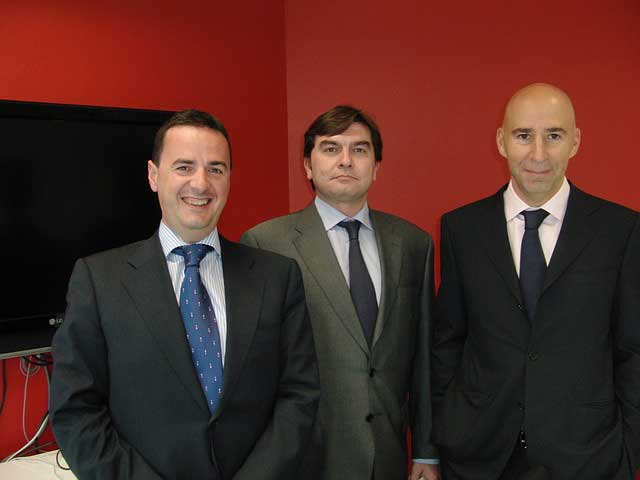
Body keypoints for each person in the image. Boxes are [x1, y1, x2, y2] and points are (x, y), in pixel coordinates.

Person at [49, 109, 319, 479]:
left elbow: (299, 396)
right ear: (153, 175)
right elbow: (76, 410)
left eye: (216, 169)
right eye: (184, 167)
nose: (201, 183)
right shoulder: (99, 281)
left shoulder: (277, 277)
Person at [432, 83, 640, 479]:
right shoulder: (462, 228)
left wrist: (629, 451)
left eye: (554, 136)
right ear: (501, 141)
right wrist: (445, 433)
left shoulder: (621, 230)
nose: (538, 154)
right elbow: (447, 342)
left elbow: (633, 348)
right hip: (479, 455)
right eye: (524, 135)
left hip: (588, 456)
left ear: (575, 142)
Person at [241, 105, 439, 480]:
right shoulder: (265, 243)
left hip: (388, 458)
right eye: (331, 148)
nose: (346, 160)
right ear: (307, 165)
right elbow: (256, 371)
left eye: (359, 150)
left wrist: (427, 452)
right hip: (303, 458)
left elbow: (424, 360)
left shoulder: (413, 244)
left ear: (376, 167)